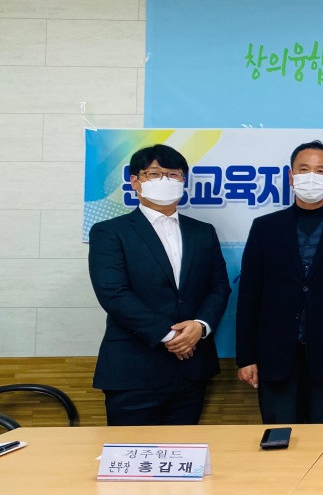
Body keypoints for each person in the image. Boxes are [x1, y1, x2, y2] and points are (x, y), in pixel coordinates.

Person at [88, 144, 230, 425]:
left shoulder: (202, 232)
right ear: (135, 181)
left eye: (173, 174)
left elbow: (219, 287)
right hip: (134, 370)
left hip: (191, 368)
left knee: (182, 450)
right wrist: (170, 336)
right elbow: (113, 293)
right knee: (131, 451)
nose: (165, 180)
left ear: (183, 181)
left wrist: (200, 326)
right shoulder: (110, 231)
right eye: (154, 174)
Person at [235, 140, 323, 424]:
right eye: (304, 169)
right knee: (279, 439)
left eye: (320, 171)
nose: (312, 177)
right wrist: (246, 357)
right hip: (275, 357)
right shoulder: (265, 227)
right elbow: (249, 296)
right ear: (291, 176)